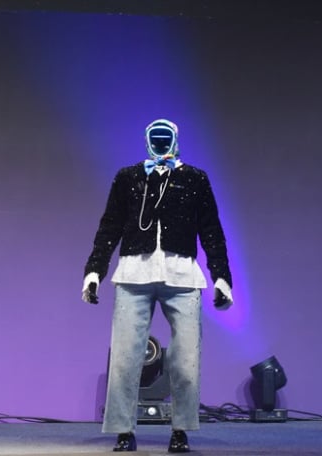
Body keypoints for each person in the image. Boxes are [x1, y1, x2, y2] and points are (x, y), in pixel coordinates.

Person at [82, 119, 233, 453]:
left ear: (176, 140)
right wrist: (94, 271)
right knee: (124, 357)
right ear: (146, 140)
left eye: (166, 138)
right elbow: (110, 226)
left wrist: (222, 277)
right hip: (134, 274)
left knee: (186, 360)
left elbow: (211, 229)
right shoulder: (128, 177)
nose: (161, 143)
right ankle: (123, 430)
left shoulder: (195, 178)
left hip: (182, 275)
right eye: (156, 137)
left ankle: (181, 429)